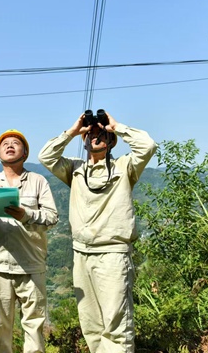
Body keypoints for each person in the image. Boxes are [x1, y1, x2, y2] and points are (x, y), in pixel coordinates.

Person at [38, 111, 157, 353]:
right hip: (81, 254)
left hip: (113, 254)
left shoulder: (124, 167)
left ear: (111, 141)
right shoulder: (75, 168)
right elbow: (46, 156)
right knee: (90, 325)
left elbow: (147, 146)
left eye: (101, 133)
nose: (96, 136)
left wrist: (116, 126)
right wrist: (73, 131)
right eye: (92, 133)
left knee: (116, 324)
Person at [0, 129, 59, 353]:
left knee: (34, 327)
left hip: (31, 265)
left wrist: (25, 214)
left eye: (15, 143)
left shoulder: (38, 181)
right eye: (5, 143)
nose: (9, 145)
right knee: (0, 328)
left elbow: (52, 217)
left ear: (25, 153)